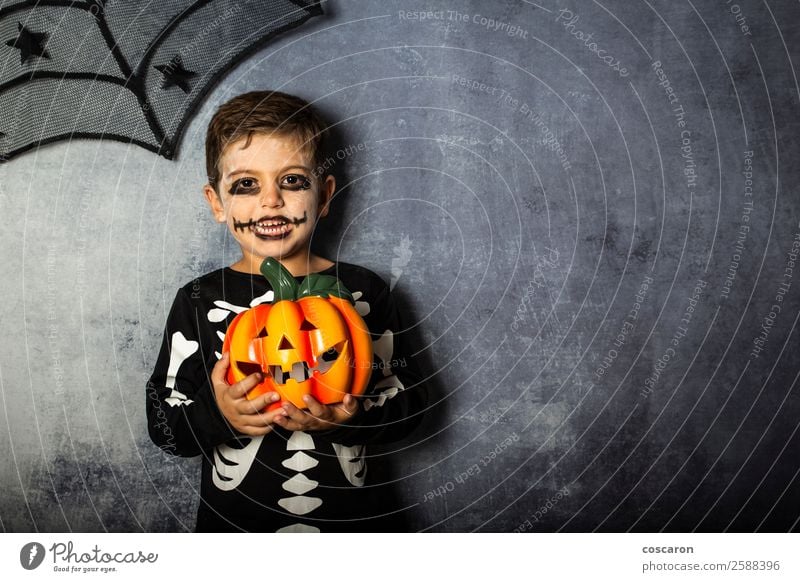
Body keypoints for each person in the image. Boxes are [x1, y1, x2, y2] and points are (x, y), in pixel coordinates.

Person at [146, 90, 427, 532]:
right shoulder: (197, 299)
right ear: (217, 203)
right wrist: (217, 415)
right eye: (245, 185)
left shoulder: (364, 292)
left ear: (325, 194)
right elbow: (163, 425)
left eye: (293, 180)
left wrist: (353, 417)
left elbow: (415, 407)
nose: (271, 200)